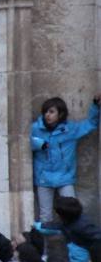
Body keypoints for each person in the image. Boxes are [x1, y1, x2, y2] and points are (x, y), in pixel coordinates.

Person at [29, 94, 100, 222]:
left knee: (73, 213)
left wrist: (95, 104)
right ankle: (44, 242)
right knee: (45, 217)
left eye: (51, 112)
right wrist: (39, 144)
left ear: (61, 114)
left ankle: (72, 241)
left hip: (65, 177)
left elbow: (90, 123)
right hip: (44, 178)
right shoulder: (36, 129)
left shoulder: (70, 130)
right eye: (45, 112)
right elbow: (21, 141)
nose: (47, 115)